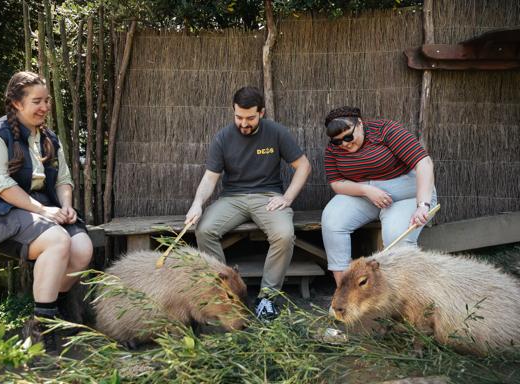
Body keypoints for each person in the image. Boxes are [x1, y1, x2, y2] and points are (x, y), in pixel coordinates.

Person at [0, 71, 93, 351]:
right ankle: (41, 329)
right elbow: (1, 184)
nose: (44, 107)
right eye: (37, 101)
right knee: (58, 241)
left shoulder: (49, 138)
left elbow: (63, 179)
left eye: (47, 100)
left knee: (82, 250)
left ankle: (52, 311)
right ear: (17, 103)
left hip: (43, 209)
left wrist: (66, 207)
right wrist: (43, 210)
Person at [185, 86, 311, 321]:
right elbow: (210, 178)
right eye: (239, 117)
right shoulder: (223, 137)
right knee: (204, 230)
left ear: (261, 113)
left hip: (267, 197)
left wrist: (287, 198)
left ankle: (267, 298)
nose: (243, 123)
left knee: (284, 234)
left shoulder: (276, 132)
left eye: (250, 118)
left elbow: (303, 166)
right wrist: (197, 203)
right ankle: (223, 291)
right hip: (232, 198)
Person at [321, 106, 437, 287]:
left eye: (348, 137)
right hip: (364, 195)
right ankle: (344, 293)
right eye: (338, 141)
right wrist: (366, 190)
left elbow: (424, 163)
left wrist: (422, 205)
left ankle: (405, 297)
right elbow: (336, 183)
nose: (345, 144)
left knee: (395, 236)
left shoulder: (385, 130)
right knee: (332, 221)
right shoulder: (333, 149)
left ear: (360, 123)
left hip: (407, 194)